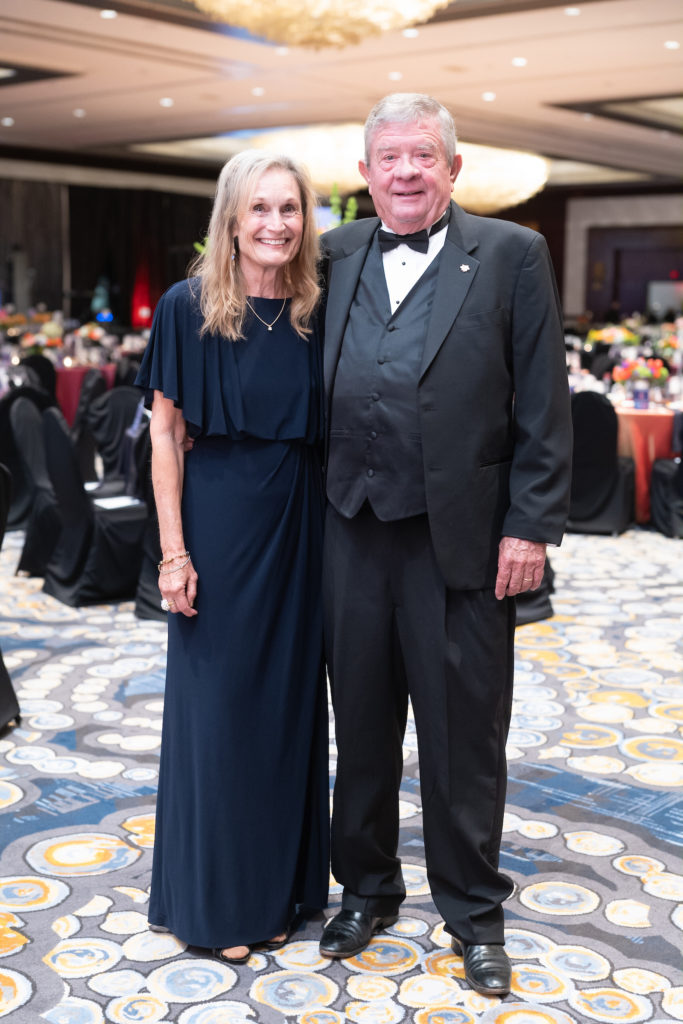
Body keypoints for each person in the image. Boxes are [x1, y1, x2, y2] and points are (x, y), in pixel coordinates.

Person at [318, 94, 572, 997]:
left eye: (422, 155)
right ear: (365, 173)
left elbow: (543, 400)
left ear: (452, 168)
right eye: (388, 157)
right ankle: (366, 889)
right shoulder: (333, 252)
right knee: (361, 726)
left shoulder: (510, 254)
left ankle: (473, 912)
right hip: (349, 530)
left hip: (462, 540)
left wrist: (530, 524)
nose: (405, 172)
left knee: (464, 737)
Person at [135, 150, 329, 964]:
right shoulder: (187, 307)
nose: (275, 224)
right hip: (218, 525)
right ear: (231, 218)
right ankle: (213, 903)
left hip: (303, 526)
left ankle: (275, 893)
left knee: (285, 712)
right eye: (259, 208)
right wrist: (173, 554)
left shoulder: (320, 307)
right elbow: (165, 437)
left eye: (289, 208)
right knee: (219, 716)